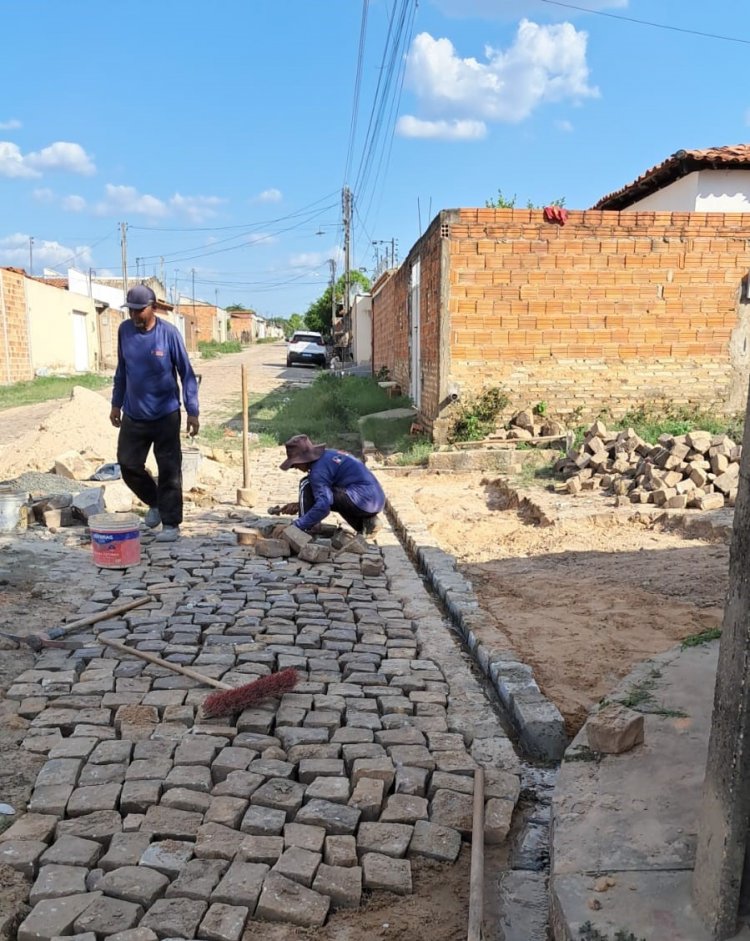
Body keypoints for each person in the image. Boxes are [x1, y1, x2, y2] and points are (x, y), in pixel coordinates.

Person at [109, 284, 200, 543]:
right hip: (134, 414)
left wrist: (192, 411)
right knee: (127, 464)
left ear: (154, 308)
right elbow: (121, 369)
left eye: (139, 310)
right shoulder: (124, 331)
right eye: (131, 311)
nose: (135, 316)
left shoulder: (169, 334)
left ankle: (171, 524)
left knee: (169, 469)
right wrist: (116, 403)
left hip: (166, 415)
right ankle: (155, 502)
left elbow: (186, 373)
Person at [279, 434, 385, 535]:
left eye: (295, 464)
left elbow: (323, 506)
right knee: (326, 494)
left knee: (307, 484)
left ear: (304, 459)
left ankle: (305, 528)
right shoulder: (327, 455)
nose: (296, 467)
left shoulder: (318, 472)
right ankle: (366, 524)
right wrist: (300, 505)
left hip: (362, 499)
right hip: (374, 500)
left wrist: (296, 526)